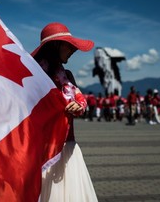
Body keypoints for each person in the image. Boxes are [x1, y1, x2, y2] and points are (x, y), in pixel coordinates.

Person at [31, 22, 98, 202]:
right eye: (68, 45)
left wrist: (79, 106)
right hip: (43, 150)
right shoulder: (34, 76)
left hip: (67, 148)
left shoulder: (67, 76)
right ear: (56, 46)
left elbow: (80, 99)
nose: (73, 50)